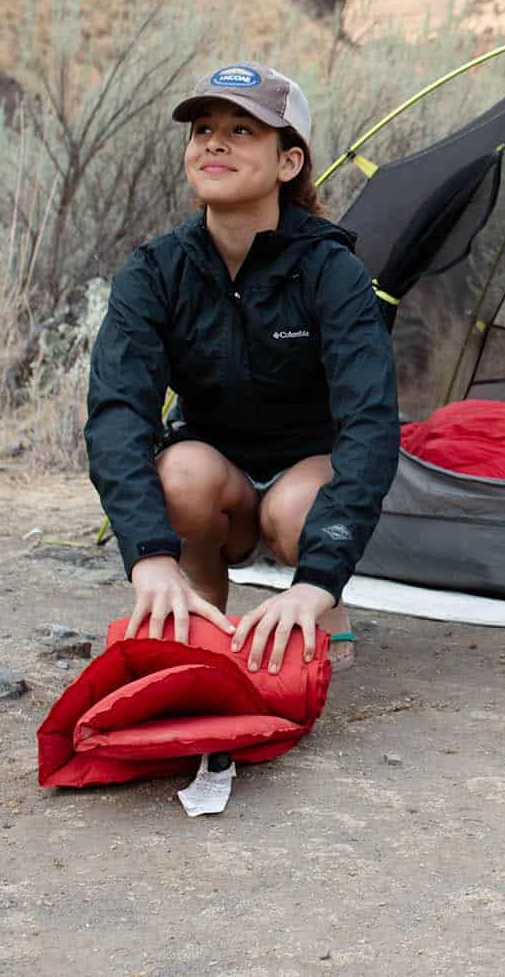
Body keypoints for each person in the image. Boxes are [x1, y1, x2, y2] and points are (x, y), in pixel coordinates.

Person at [85, 63, 399, 675]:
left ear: (288, 162)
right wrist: (149, 556)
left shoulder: (332, 270)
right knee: (180, 473)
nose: (215, 143)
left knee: (297, 511)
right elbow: (119, 412)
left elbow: (371, 422)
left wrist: (321, 576)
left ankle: (318, 611)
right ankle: (199, 617)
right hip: (217, 478)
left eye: (242, 130)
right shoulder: (154, 271)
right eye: (202, 129)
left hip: (305, 476)